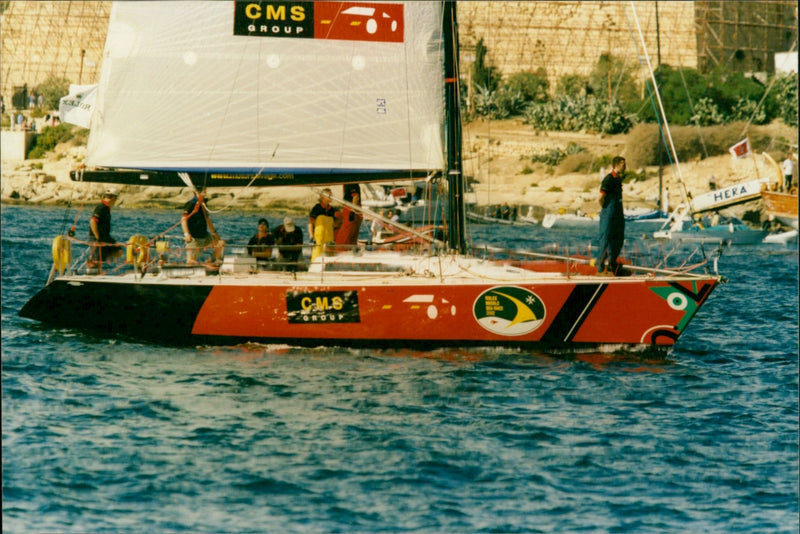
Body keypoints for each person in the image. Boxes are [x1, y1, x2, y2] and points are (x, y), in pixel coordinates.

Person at [595, 156, 626, 276]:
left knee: (618, 239)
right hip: (608, 212)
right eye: (623, 164)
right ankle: (600, 268)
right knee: (605, 239)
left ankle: (612, 264)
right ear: (616, 165)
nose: (624, 166)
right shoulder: (609, 179)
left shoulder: (619, 179)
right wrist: (606, 209)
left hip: (618, 213)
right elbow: (600, 198)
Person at [181, 188, 225, 263]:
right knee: (191, 262)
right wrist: (186, 234)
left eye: (205, 189)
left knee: (221, 243)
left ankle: (212, 262)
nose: (205, 191)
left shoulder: (203, 204)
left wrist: (214, 233)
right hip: (194, 237)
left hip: (204, 235)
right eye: (202, 190)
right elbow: (183, 220)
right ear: (196, 192)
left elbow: (207, 219)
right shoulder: (191, 203)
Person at [88, 187, 124, 265]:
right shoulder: (102, 207)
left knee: (119, 251)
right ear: (114, 198)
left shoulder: (106, 208)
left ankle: (102, 258)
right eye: (115, 199)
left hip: (105, 237)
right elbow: (93, 221)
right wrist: (97, 237)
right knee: (97, 259)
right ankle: (93, 261)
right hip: (98, 237)